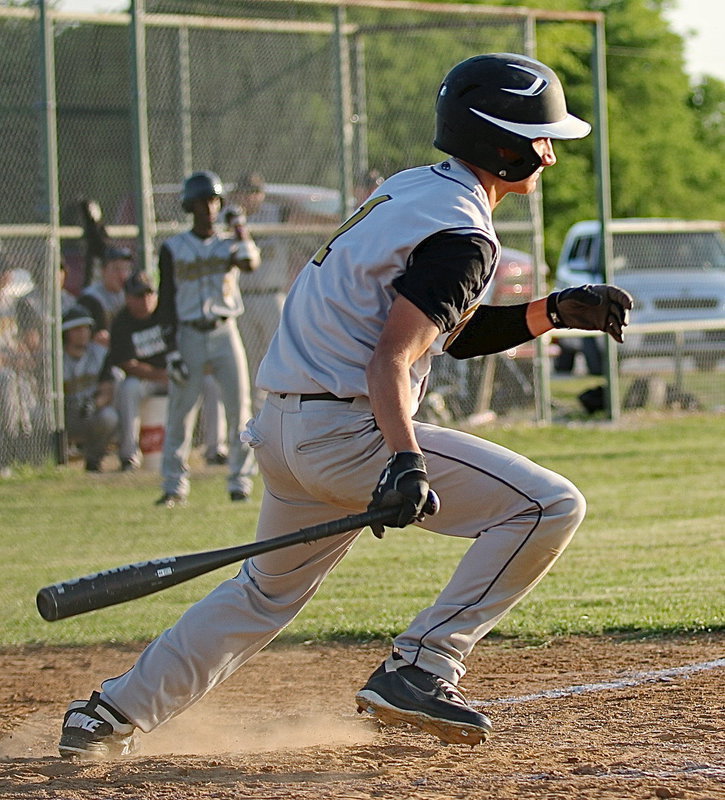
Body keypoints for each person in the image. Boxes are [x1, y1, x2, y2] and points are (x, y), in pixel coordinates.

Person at [58, 53, 632, 759]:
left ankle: (111, 712)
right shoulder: (463, 233)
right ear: (499, 144)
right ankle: (422, 665)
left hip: (283, 428)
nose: (548, 154)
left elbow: (433, 331)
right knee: (547, 506)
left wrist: (548, 312)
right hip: (348, 431)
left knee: (263, 596)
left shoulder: (412, 192)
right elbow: (391, 356)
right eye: (538, 139)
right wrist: (403, 459)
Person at [153, 170, 260, 507]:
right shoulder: (173, 247)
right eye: (202, 202)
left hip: (225, 330)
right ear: (190, 205)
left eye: (213, 201)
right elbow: (166, 299)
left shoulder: (230, 243)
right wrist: (170, 350)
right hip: (188, 334)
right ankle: (174, 485)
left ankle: (240, 482)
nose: (208, 208)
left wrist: (240, 227)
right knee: (181, 411)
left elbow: (250, 263)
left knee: (239, 407)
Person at [226, 173, 290, 413]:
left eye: (255, 192)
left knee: (281, 359)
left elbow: (308, 218)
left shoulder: (276, 212)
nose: (251, 197)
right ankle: (255, 422)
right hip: (243, 297)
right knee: (250, 365)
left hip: (272, 296)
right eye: (245, 192)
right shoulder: (230, 218)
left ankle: (282, 415)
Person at [104, 271, 169, 472]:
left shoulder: (167, 313)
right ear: (128, 298)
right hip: (145, 380)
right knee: (128, 387)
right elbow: (127, 364)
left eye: (149, 294)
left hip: (172, 374)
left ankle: (215, 450)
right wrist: (160, 376)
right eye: (139, 295)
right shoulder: (122, 322)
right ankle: (129, 456)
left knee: (210, 384)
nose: (145, 300)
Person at [61, 305, 118, 472]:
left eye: (85, 328)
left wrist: (94, 404)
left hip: (88, 412)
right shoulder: (56, 358)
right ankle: (51, 461)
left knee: (109, 417)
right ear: (66, 333)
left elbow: (107, 389)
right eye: (76, 329)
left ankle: (93, 461)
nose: (83, 333)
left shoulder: (100, 354)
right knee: (37, 415)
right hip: (63, 414)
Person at [77, 246, 134, 347]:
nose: (122, 275)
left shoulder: (133, 293)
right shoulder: (90, 297)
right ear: (103, 271)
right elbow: (97, 337)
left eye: (126, 269)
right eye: (116, 269)